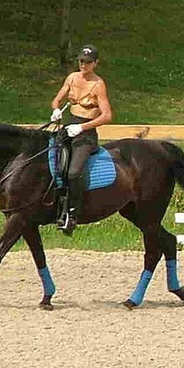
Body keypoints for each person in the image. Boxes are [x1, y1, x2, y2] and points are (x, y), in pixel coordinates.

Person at [49, 44, 113, 234]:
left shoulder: (98, 84)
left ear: (95, 63)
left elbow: (107, 115)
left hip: (86, 131)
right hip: (69, 125)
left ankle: (73, 214)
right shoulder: (72, 78)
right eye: (81, 61)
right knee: (51, 160)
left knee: (74, 171)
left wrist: (82, 127)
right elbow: (56, 99)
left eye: (87, 62)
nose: (83, 65)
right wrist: (55, 111)